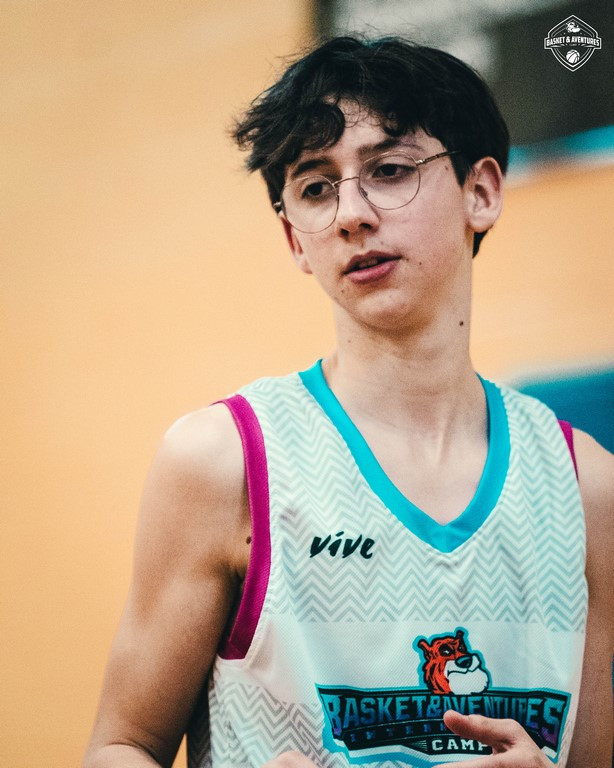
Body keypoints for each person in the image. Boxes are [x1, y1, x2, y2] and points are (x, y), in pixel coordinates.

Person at [83, 36, 613, 768]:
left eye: (389, 170)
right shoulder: (223, 462)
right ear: (295, 240)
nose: (350, 214)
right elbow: (120, 746)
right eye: (315, 187)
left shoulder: (589, 491)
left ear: (482, 192)